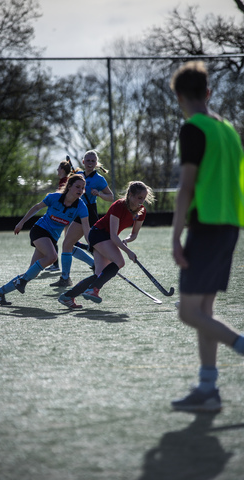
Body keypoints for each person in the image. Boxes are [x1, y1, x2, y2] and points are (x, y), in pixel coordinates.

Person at [170, 61, 244, 413]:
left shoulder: (193, 128)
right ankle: (208, 388)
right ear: (209, 92)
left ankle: (240, 347)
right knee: (204, 311)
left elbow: (186, 187)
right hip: (230, 225)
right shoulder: (228, 130)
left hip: (208, 226)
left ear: (180, 97)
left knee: (188, 312)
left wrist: (175, 236)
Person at [0, 174, 90, 305]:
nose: (80, 190)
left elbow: (86, 228)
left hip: (52, 238)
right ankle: (21, 281)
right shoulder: (54, 197)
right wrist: (21, 223)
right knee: (52, 256)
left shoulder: (81, 207)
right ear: (69, 186)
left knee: (32, 273)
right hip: (39, 230)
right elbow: (36, 207)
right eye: (77, 187)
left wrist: (93, 245)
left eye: (83, 188)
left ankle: (0, 292)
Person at [58, 181, 155, 308]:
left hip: (106, 238)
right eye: (139, 198)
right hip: (98, 234)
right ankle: (93, 289)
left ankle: (68, 296)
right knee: (120, 262)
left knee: (99, 275)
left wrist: (126, 240)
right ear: (130, 195)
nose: (141, 201)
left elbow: (134, 234)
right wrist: (128, 252)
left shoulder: (141, 210)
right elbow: (113, 236)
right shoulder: (119, 206)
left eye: (144, 198)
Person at [50, 149, 114, 287]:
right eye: (88, 160)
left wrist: (98, 194)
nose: (90, 163)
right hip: (78, 212)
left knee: (93, 246)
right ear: (83, 162)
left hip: (90, 212)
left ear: (96, 163)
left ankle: (101, 267)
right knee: (67, 244)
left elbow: (111, 197)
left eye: (93, 161)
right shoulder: (78, 175)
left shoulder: (99, 179)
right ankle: (66, 278)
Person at [45, 160, 72, 272]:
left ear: (63, 170)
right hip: (65, 215)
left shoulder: (64, 182)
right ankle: (55, 264)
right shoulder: (64, 181)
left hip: (64, 216)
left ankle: (55, 265)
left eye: (59, 168)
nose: (57, 170)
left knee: (64, 241)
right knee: (67, 241)